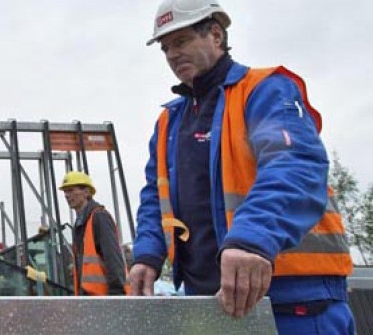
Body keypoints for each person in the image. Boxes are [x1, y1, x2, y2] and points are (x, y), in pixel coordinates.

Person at [129, 0, 355, 333]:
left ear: (216, 35)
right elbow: (155, 198)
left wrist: (253, 239)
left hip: (293, 302)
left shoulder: (264, 91)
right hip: (211, 302)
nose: (172, 55)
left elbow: (294, 167)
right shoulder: (169, 122)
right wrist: (147, 254)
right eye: (165, 48)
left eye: (181, 41)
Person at [59, 171, 128, 296]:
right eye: (65, 192)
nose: (67, 195)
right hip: (90, 298)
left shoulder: (99, 217)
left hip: (104, 297)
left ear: (86, 192)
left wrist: (117, 294)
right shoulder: (81, 223)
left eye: (71, 190)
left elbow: (113, 257)